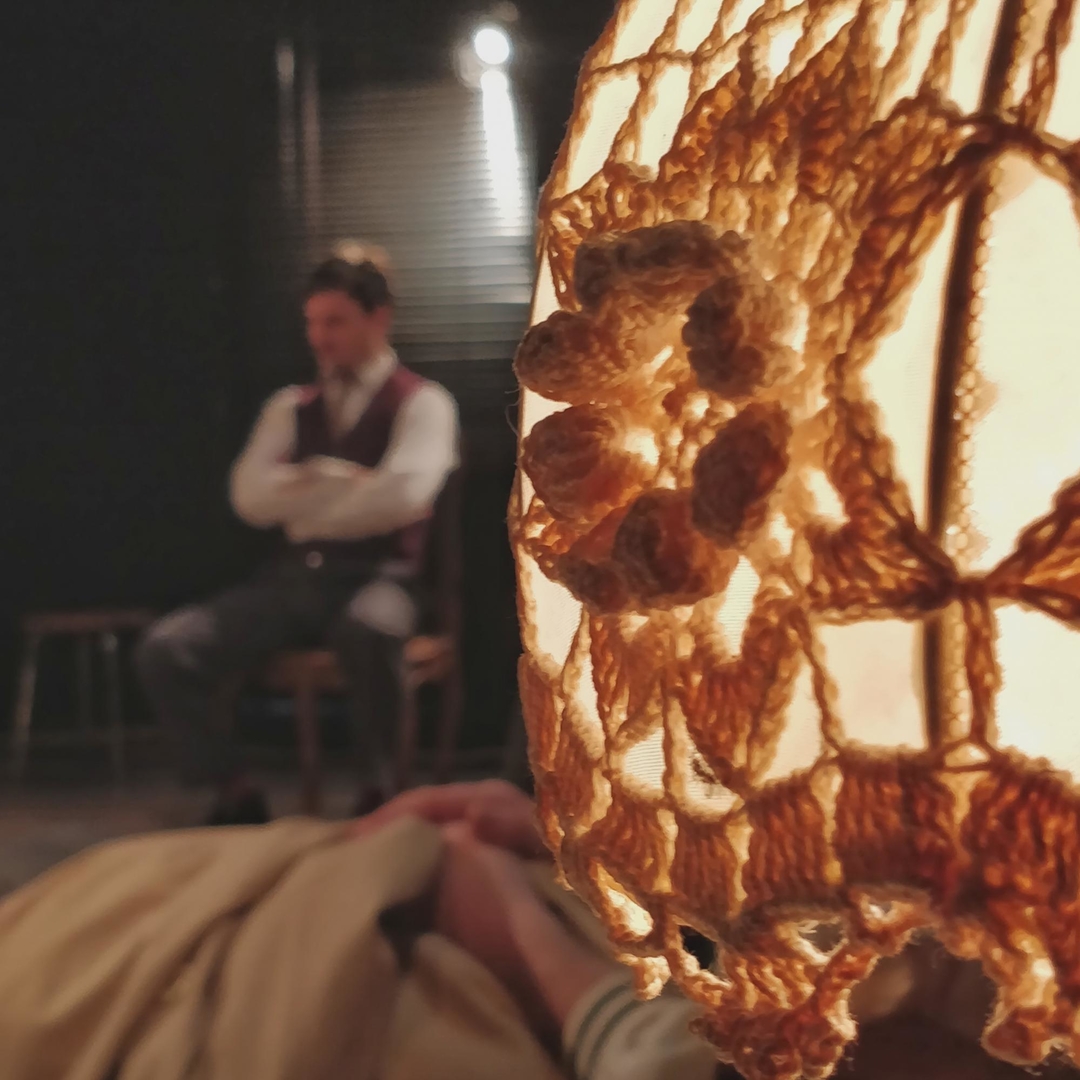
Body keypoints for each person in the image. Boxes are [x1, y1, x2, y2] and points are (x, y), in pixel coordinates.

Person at [136, 247, 459, 825]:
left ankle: (381, 793)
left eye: (335, 321)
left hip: (380, 577)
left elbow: (404, 497)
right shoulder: (290, 406)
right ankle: (233, 789)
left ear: (378, 318)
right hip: (293, 581)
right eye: (312, 322)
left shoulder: (423, 402)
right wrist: (343, 483)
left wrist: (304, 502)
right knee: (168, 648)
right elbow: (248, 498)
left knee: (370, 629)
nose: (319, 337)